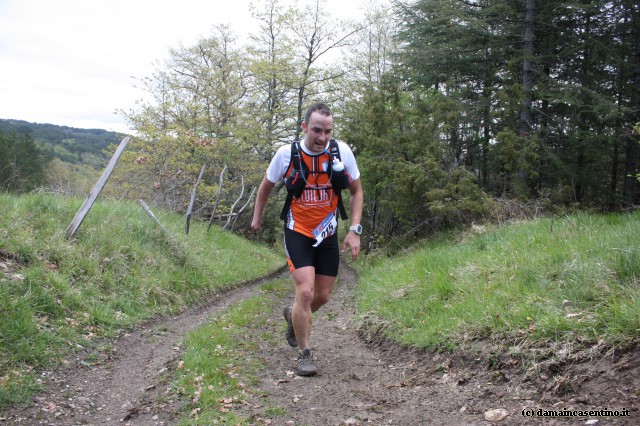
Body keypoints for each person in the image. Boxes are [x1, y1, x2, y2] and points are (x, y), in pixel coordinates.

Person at [251, 102, 364, 376]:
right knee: (305, 292)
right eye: (316, 130)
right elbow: (266, 187)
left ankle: (293, 315)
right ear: (304, 127)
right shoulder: (286, 154)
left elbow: (357, 192)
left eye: (327, 131)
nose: (322, 137)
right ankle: (305, 354)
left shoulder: (341, 152)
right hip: (297, 230)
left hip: (327, 233)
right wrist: (256, 218)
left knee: (322, 296)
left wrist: (354, 230)